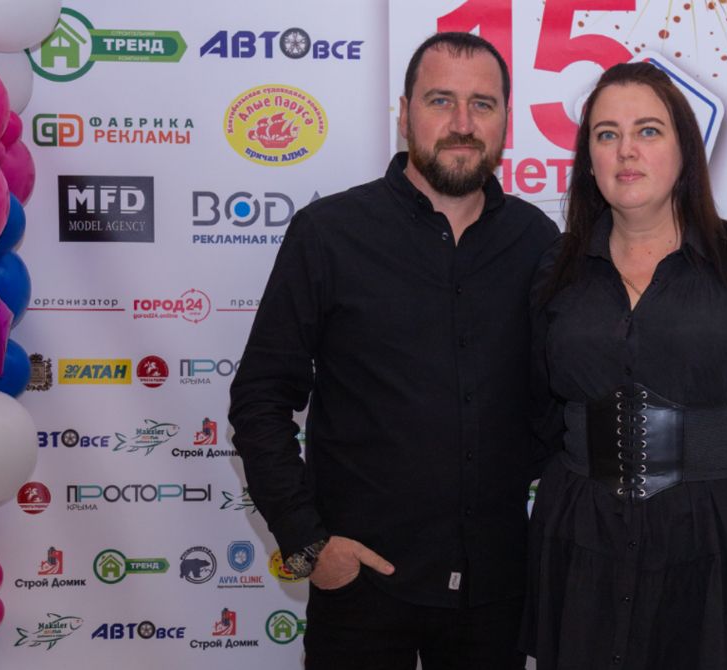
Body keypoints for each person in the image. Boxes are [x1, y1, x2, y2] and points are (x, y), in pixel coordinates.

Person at [228, 32, 559, 669]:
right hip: (361, 593)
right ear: (405, 114)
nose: (462, 123)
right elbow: (260, 399)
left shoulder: (538, 241)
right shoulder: (329, 234)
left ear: (505, 122)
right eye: (440, 101)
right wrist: (309, 545)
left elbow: (570, 395)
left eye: (482, 104)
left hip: (495, 594)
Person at [521, 63, 727, 669]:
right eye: (607, 134)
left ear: (686, 150)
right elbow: (538, 411)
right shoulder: (556, 270)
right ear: (588, 159)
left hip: (719, 546)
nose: (626, 150)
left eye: (648, 130)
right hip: (581, 542)